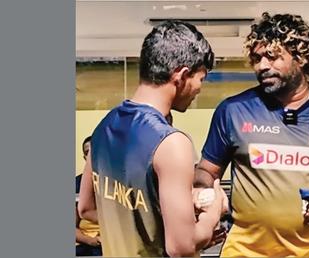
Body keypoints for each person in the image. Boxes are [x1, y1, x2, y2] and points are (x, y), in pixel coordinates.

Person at [193, 12, 309, 257]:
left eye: (272, 56)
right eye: (257, 58)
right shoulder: (233, 111)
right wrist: (204, 191)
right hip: (245, 251)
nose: (262, 66)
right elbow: (206, 171)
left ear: (301, 57)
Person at [78, 20, 226, 257]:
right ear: (182, 75)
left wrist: (177, 221)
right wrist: (213, 212)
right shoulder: (170, 143)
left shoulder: (103, 127)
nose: (200, 89)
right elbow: (181, 247)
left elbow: (86, 208)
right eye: (201, 78)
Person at [75, 136, 102, 256]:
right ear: (84, 157)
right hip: (85, 241)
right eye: (87, 153)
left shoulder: (117, 180)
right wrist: (91, 241)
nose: (91, 156)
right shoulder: (76, 183)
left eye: (95, 151)